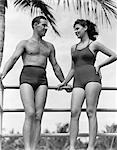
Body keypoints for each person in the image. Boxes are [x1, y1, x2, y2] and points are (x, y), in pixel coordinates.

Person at [0, 15, 67, 150]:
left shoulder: (49, 46)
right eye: (43, 25)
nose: (46, 28)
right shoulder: (24, 43)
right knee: (30, 113)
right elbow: (13, 59)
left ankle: (34, 148)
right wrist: (2, 74)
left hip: (42, 79)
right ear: (35, 25)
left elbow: (55, 66)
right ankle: (27, 147)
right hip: (26, 78)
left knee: (38, 115)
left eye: (46, 26)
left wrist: (64, 82)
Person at [57, 19, 117, 150]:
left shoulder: (94, 44)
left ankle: (91, 147)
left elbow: (114, 55)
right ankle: (72, 147)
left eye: (77, 28)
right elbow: (72, 68)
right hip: (77, 81)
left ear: (85, 28)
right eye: (74, 29)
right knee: (74, 112)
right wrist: (64, 82)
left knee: (91, 111)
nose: (75, 31)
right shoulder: (73, 48)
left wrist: (100, 65)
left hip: (92, 79)